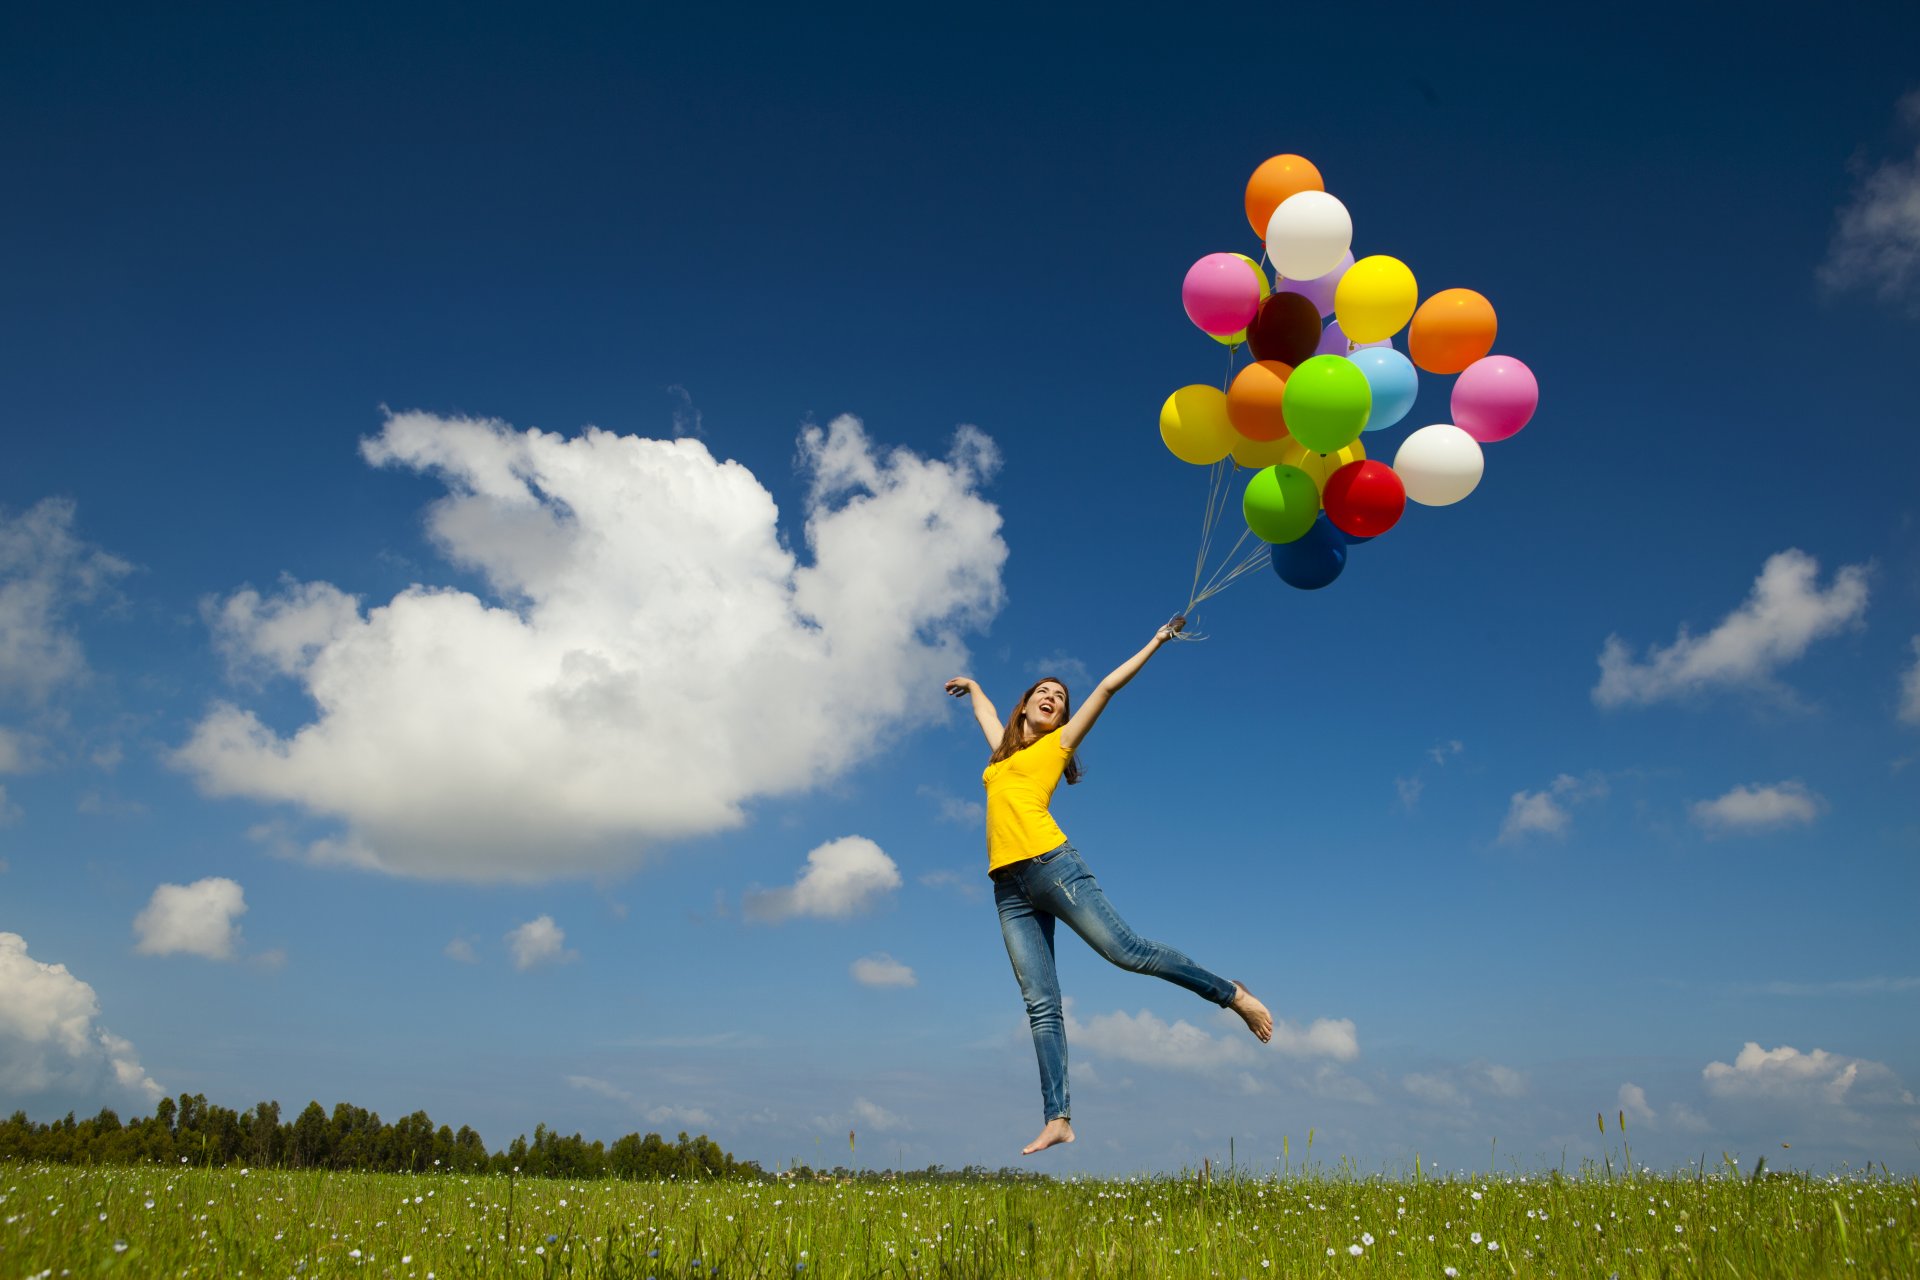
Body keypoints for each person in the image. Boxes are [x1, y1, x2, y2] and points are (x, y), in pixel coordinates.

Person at [944, 616, 1273, 1155]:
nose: (1052, 698)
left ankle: (1232, 994)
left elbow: (1106, 687)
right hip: (1008, 889)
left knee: (1128, 952)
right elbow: (984, 714)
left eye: (1060, 698)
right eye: (1043, 692)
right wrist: (975, 686)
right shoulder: (1001, 758)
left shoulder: (1057, 745)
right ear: (1024, 706)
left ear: (1062, 717)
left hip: (1052, 867)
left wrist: (1155, 641)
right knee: (1041, 1004)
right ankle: (1058, 1118)